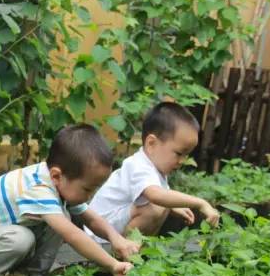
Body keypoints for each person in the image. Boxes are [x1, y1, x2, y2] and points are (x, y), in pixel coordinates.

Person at [0, 124, 138, 276]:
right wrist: (112, 264)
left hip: (1, 235)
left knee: (58, 219)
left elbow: (91, 218)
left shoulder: (59, 182)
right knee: (23, 238)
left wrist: (116, 239)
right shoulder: (38, 188)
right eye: (87, 189)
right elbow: (73, 235)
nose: (90, 196)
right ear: (56, 176)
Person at [87, 102, 220, 240]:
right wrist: (200, 203)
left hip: (110, 229)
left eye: (186, 155)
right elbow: (156, 195)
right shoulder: (138, 165)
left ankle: (137, 248)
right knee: (155, 208)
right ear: (151, 144)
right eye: (179, 153)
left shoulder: (155, 168)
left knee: (161, 206)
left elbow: (162, 196)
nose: (182, 161)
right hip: (97, 235)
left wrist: (172, 206)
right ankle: (126, 249)